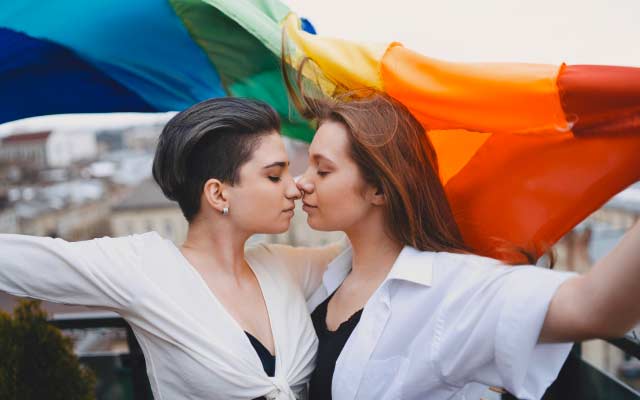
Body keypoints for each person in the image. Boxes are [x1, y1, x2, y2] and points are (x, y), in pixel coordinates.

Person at [284, 74, 640, 399]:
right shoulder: (329, 274)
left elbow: (595, 309)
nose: (302, 181)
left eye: (323, 169)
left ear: (379, 189)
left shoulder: (450, 291)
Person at [0, 97, 341, 400]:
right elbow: (16, 261)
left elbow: (375, 243)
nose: (294, 189)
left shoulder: (284, 266)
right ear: (218, 194)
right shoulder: (147, 269)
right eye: (274, 176)